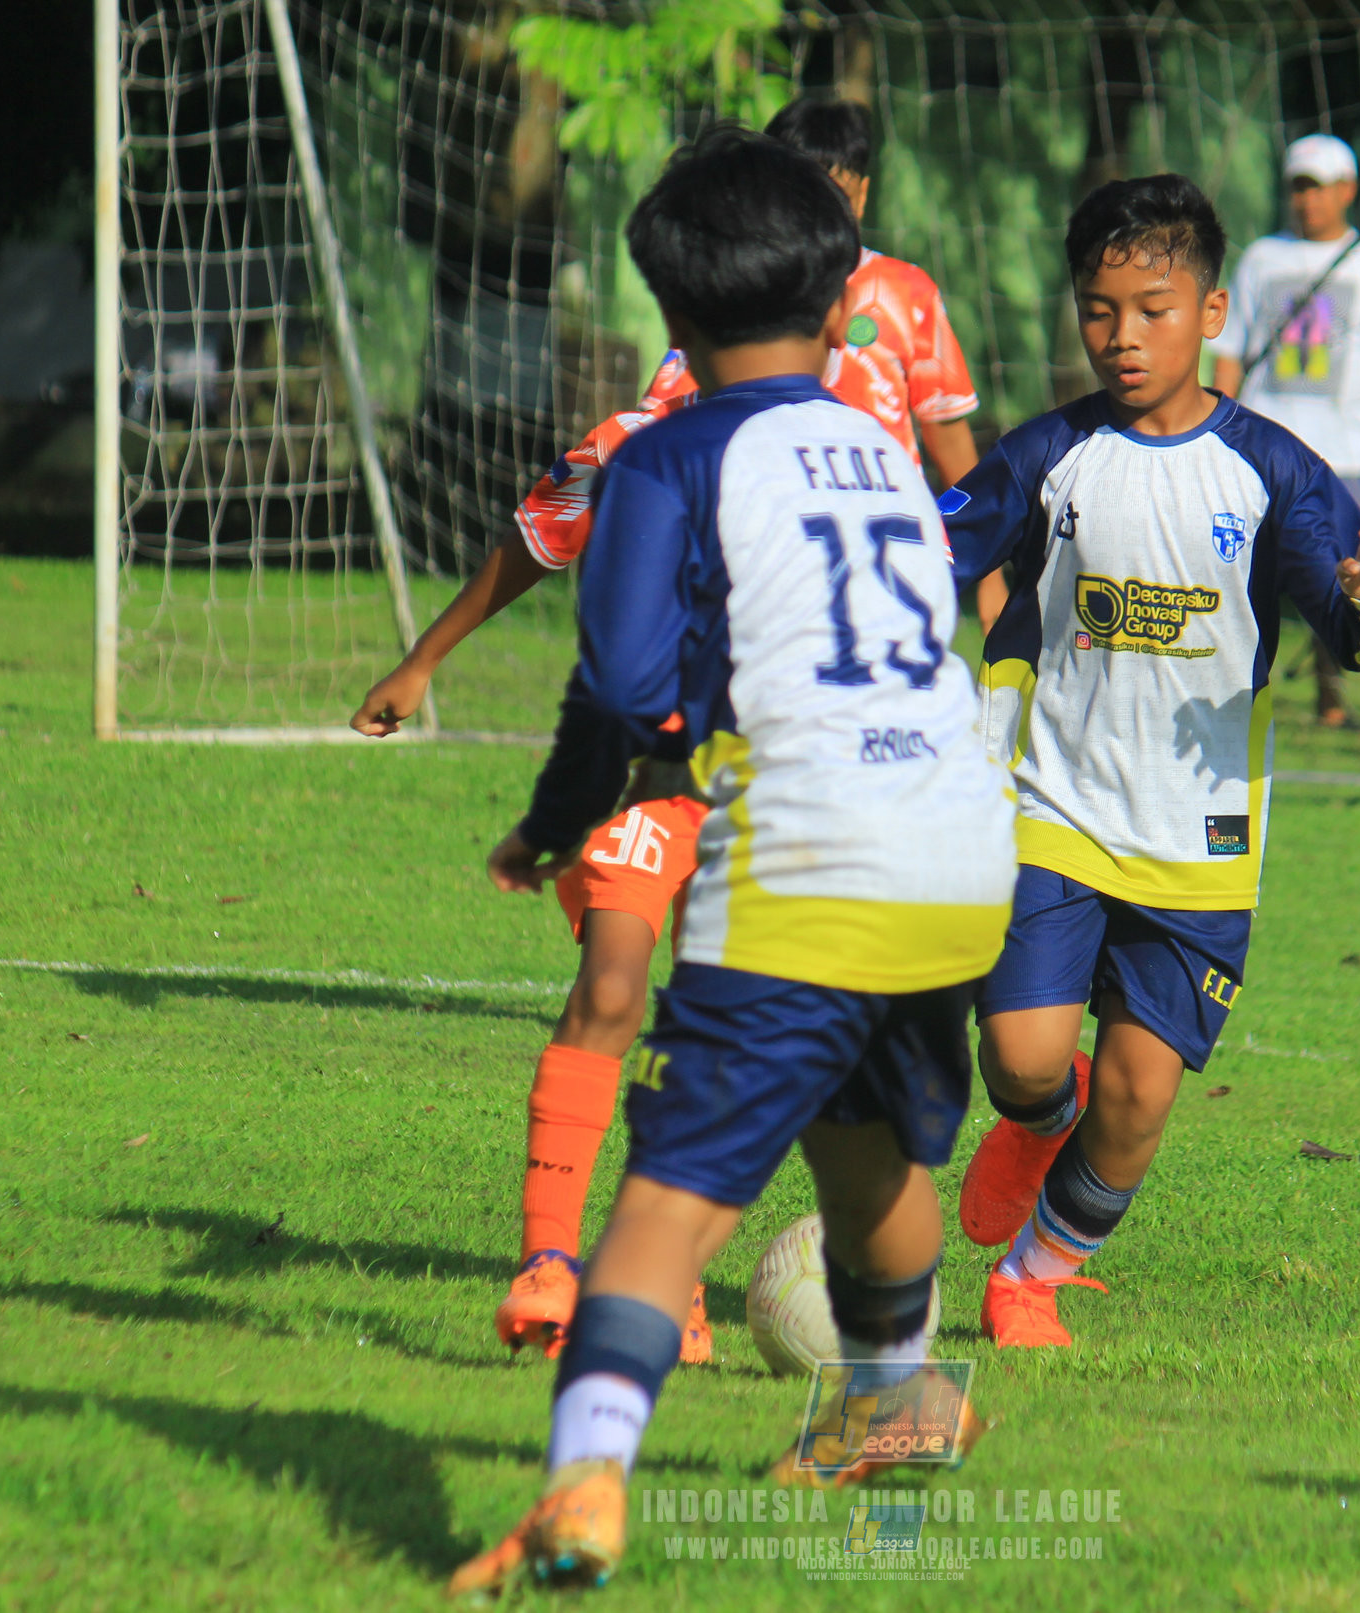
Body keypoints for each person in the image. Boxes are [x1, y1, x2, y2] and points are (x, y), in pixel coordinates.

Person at [446, 128, 1017, 1595]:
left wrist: (555, 824)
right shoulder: (882, 457)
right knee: (864, 1143)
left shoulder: (667, 454)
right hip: (955, 851)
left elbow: (625, 687)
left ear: (671, 321)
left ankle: (580, 1488)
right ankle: (890, 1409)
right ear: (841, 309)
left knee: (663, 1199)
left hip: (808, 857)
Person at [347, 93, 985, 1365]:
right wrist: (423, 660)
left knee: (726, 1119)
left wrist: (548, 815)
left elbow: (621, 678)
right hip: (850, 829)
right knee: (624, 991)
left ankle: (624, 1421)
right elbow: (537, 540)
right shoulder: (747, 451)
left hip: (775, 805)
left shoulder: (786, 455)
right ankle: (550, 1260)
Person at [939, 175, 1360, 1349]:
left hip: (1198, 827)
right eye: (1099, 311)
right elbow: (930, 550)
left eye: (1151, 309)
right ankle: (1030, 1124)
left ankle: (1034, 1272)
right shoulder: (1047, 453)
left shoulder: (1271, 472)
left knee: (1140, 1095)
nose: (1121, 336)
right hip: (1047, 795)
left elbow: (1344, 619)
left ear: (1210, 314)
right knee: (1023, 1057)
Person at [1213, 132, 1360, 727]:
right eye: (1297, 187)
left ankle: (1331, 691)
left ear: (1347, 191)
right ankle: (1237, 681)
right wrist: (1216, 430)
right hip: (1257, 450)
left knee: (1339, 579)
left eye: (1317, 187)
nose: (1306, 200)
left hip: (1340, 456)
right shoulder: (1260, 258)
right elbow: (1229, 349)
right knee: (1239, 571)